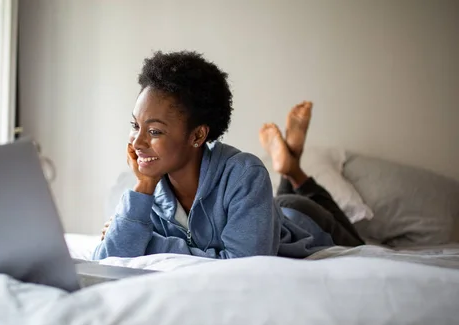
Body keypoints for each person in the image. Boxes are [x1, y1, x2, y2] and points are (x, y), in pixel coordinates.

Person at [92, 51, 364, 260]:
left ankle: (293, 171)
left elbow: (243, 264)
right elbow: (108, 260)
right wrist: (144, 186)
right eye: (134, 126)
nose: (137, 142)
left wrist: (149, 243)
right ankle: (288, 165)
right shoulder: (145, 192)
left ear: (197, 136)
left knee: (358, 243)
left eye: (154, 131)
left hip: (300, 216)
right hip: (260, 209)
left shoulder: (245, 173)